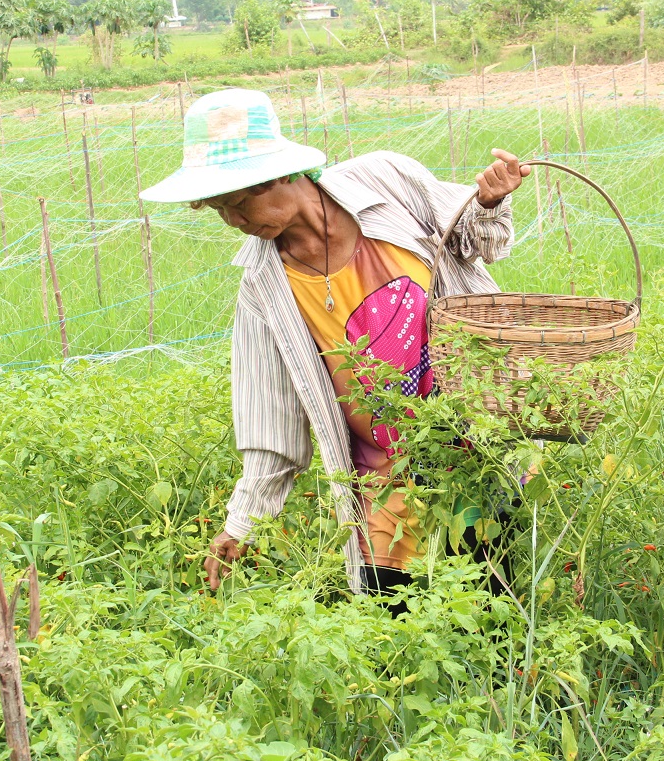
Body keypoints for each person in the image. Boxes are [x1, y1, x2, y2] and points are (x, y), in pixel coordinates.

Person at [140, 88, 530, 606]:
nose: (234, 220)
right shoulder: (263, 283)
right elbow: (268, 415)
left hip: (478, 446)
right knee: (395, 621)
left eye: (238, 202)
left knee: (494, 601)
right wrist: (242, 522)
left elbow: (480, 244)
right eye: (219, 209)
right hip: (381, 476)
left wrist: (488, 200)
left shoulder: (388, 182)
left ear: (281, 175)